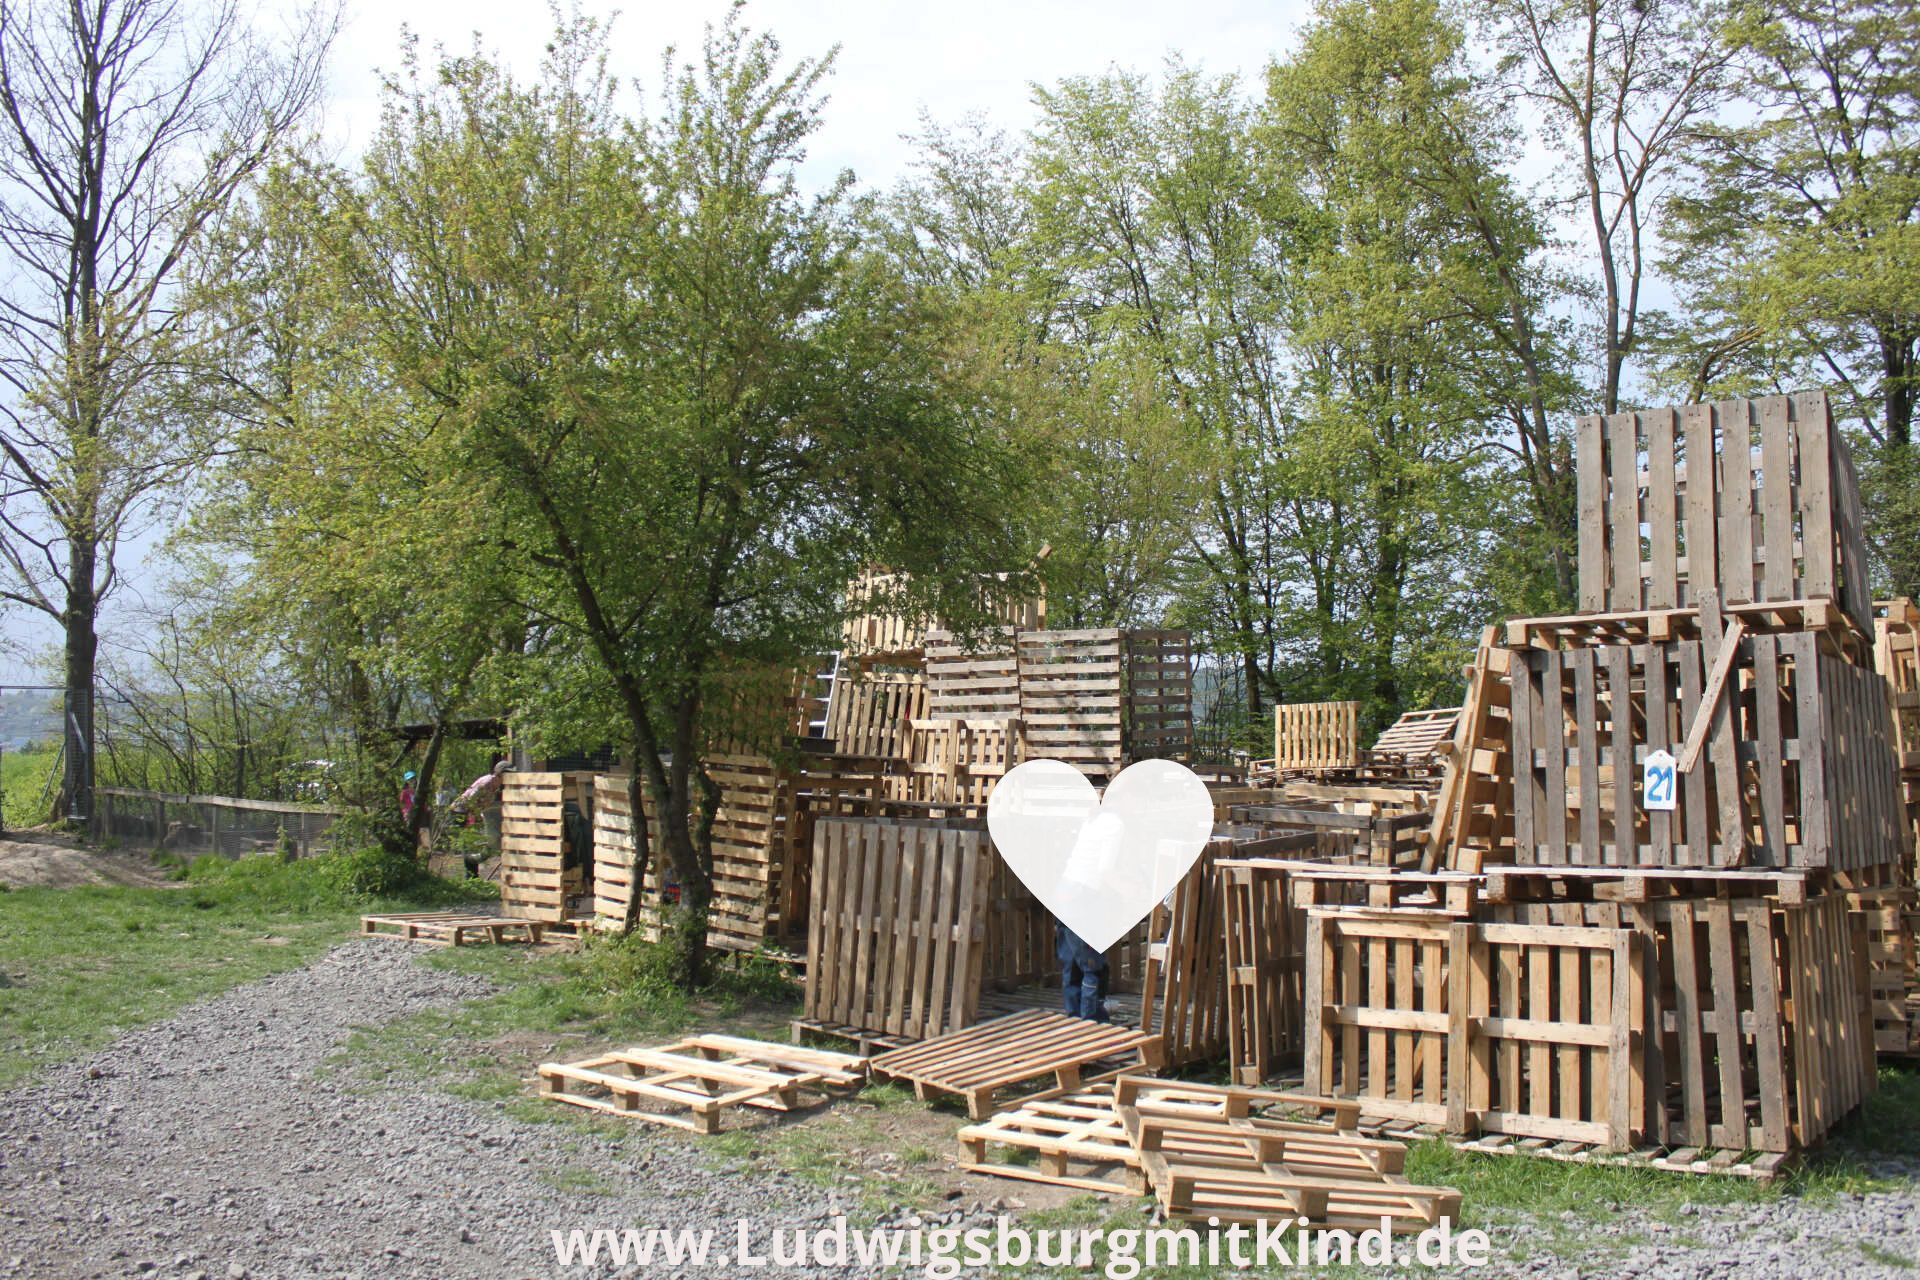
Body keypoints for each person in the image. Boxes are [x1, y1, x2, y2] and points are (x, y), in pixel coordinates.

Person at [1055, 920, 1109, 1023]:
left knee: (1072, 970)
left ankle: (1075, 1016)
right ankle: (1091, 1018)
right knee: (1093, 971)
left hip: (1066, 916)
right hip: (1085, 920)